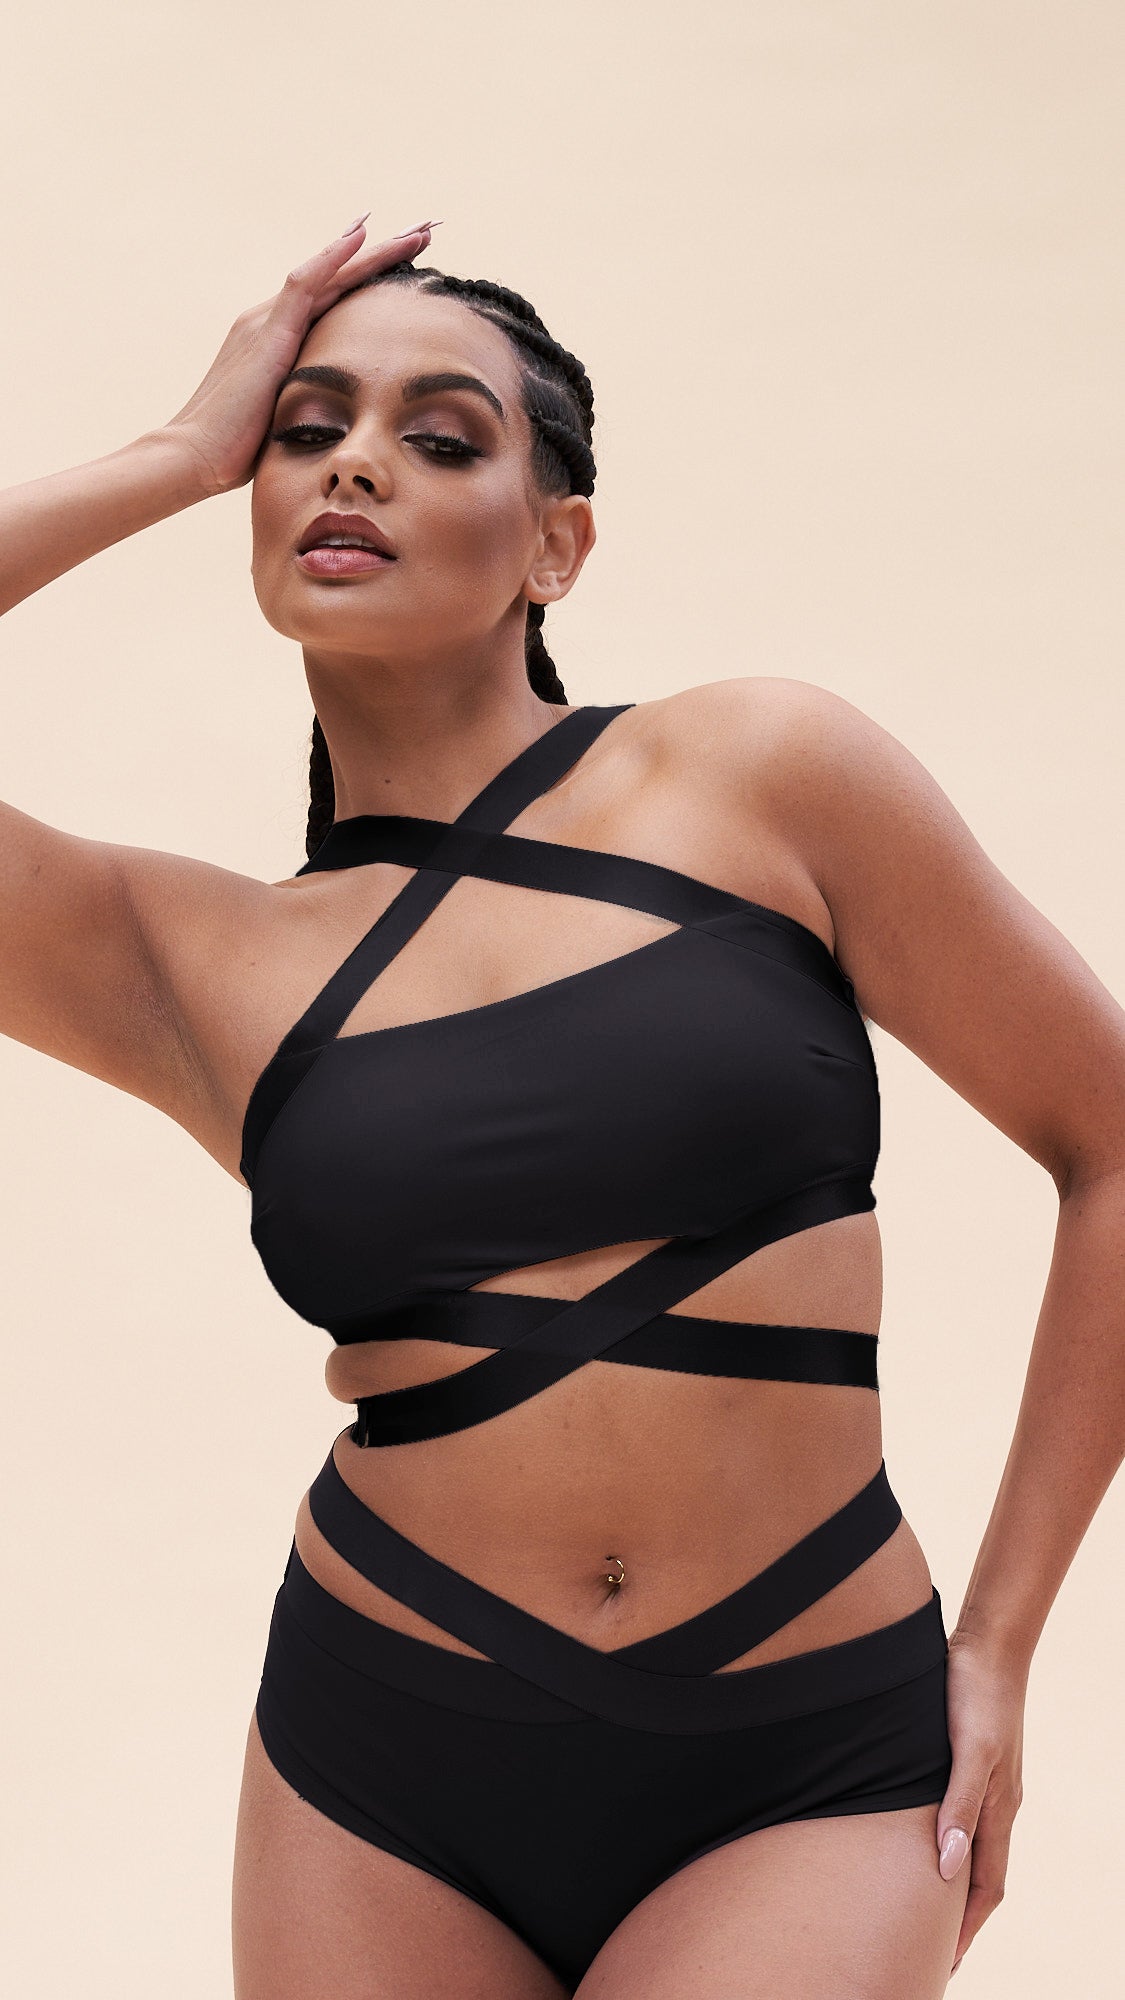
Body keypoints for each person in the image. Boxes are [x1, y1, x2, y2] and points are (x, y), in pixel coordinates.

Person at [3, 215, 1123, 2000]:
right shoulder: (187, 954)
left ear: (556, 545)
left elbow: (1112, 1148)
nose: (353, 462)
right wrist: (172, 450)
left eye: (441, 436)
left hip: (808, 1743)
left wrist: (997, 1643)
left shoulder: (760, 774)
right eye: (307, 430)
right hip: (381, 1751)